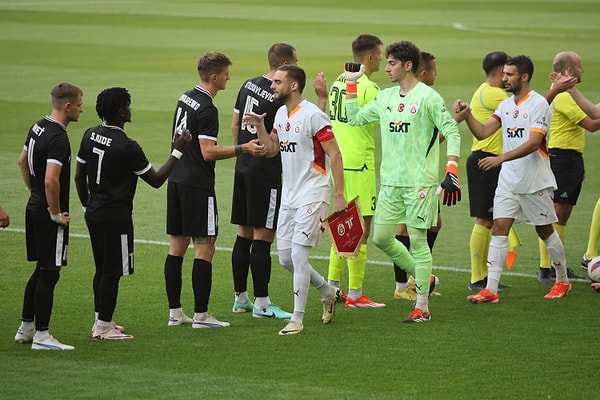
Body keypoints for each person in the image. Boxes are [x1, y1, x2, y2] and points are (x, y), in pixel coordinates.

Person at [344, 41, 462, 323]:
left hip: (420, 183)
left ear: (408, 65)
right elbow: (354, 118)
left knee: (419, 241)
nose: (386, 68)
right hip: (391, 182)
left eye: (392, 63)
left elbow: (452, 131)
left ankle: (422, 306)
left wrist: (452, 171)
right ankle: (425, 277)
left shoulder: (428, 97)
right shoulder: (385, 98)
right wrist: (351, 85)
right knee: (382, 238)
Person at [75, 87, 192, 340]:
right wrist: (178, 150)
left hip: (94, 212)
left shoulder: (90, 134)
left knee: (101, 268)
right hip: (115, 217)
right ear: (120, 111)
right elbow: (157, 180)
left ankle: (100, 321)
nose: (130, 109)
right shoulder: (127, 146)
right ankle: (104, 328)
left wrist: (87, 207)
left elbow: (78, 176)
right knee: (112, 272)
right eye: (128, 106)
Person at [454, 55, 572, 303]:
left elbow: (533, 143)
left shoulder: (539, 104)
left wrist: (500, 159)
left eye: (509, 74)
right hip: (509, 181)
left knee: (545, 230)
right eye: (504, 74)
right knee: (499, 228)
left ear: (524, 77)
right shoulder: (506, 105)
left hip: (534, 181)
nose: (504, 78)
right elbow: (484, 131)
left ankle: (562, 279)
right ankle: (491, 290)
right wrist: (467, 116)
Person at [242, 64, 346, 335]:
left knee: (299, 256)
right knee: (286, 259)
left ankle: (297, 319)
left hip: (314, 192)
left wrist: (339, 195)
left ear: (294, 85)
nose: (272, 86)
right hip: (289, 195)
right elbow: (271, 149)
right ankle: (327, 292)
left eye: (277, 82)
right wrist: (260, 126)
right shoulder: (278, 113)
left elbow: (335, 155)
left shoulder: (313, 115)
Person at [164, 52, 264, 329]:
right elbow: (208, 152)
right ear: (215, 77)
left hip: (177, 180)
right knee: (204, 249)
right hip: (197, 185)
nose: (230, 78)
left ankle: (175, 313)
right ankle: (201, 316)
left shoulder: (186, 97)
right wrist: (244, 148)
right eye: (227, 74)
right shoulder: (207, 108)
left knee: (176, 249)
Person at [229, 43, 298, 319]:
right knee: (263, 236)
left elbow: (235, 124)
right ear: (283, 63)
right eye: (294, 62)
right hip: (265, 172)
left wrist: (241, 154)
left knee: (243, 233)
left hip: (243, 166)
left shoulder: (248, 84)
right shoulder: (278, 96)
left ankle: (240, 299)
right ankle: (262, 303)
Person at [14, 82, 83, 350]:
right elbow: (51, 181)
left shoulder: (37, 126)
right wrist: (55, 213)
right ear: (67, 106)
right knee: (50, 272)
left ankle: (26, 328)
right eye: (79, 105)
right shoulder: (58, 138)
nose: (81, 109)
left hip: (34, 206)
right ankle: (42, 336)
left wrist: (35, 195)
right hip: (48, 213)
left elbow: (22, 160)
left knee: (41, 268)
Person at [325, 33, 385, 308]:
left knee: (342, 226)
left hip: (340, 162)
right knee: (361, 230)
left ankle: (333, 287)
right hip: (359, 164)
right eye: (380, 55)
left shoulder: (340, 80)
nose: (382, 59)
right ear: (370, 56)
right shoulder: (368, 87)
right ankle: (356, 295)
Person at [537, 51, 600, 284]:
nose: (584, 69)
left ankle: (555, 267)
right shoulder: (563, 97)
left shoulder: (568, 94)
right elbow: (592, 123)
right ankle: (547, 268)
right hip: (562, 157)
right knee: (554, 213)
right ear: (571, 71)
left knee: (562, 215)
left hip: (571, 157)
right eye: (580, 66)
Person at [462, 51, 520, 292]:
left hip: (491, 160)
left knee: (492, 218)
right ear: (499, 71)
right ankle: (477, 278)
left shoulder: (483, 90)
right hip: (485, 161)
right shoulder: (494, 94)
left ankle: (485, 275)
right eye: (506, 72)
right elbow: (525, 105)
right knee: (485, 219)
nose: (507, 78)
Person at [393, 51, 443, 301]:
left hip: (414, 172)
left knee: (431, 224)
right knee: (408, 228)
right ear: (423, 73)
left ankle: (410, 282)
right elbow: (428, 139)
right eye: (434, 70)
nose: (436, 74)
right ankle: (405, 285)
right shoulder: (423, 99)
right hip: (415, 176)